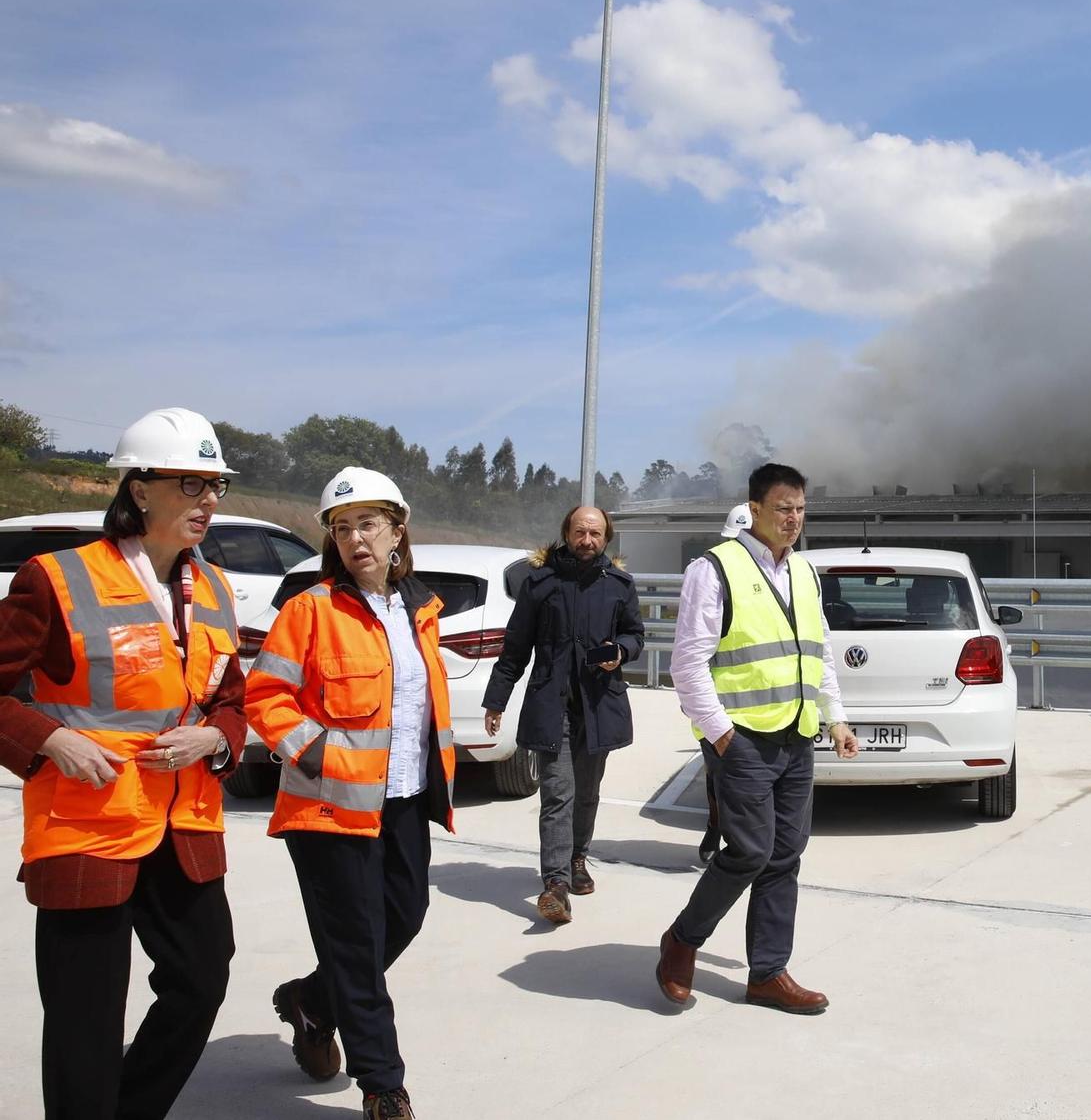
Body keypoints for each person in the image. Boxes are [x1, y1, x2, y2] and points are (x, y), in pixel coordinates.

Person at [0, 407, 247, 1120]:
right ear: (139, 489)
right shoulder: (57, 580)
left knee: (202, 978)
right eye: (192, 484)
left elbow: (232, 696)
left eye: (217, 486)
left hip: (183, 828)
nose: (209, 501)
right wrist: (49, 740)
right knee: (85, 1022)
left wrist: (218, 736)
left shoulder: (218, 589)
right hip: (89, 827)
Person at [246, 468, 455, 1120]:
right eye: (341, 527)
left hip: (402, 802)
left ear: (398, 528)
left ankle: (314, 998)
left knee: (406, 914)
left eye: (368, 522)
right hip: (328, 806)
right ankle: (382, 1083)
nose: (355, 537)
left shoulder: (420, 611)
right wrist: (319, 753)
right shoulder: (309, 610)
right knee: (358, 945)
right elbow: (264, 696)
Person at [655, 465, 858, 1013]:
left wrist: (835, 718)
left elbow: (820, 653)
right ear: (755, 509)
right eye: (782, 508)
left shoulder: (806, 574)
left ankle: (768, 973)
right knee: (748, 851)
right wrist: (722, 737)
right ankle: (682, 941)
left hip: (797, 736)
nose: (793, 518)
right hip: (742, 739)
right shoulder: (716, 569)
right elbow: (688, 664)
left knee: (785, 855)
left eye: (800, 508)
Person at [479, 504, 644, 924]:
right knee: (557, 793)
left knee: (587, 792)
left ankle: (576, 859)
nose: (586, 540)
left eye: (595, 534)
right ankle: (554, 884)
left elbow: (635, 634)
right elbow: (515, 648)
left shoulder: (620, 584)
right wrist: (496, 700)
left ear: (606, 539)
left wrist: (621, 651)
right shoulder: (541, 583)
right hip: (553, 707)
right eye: (579, 532)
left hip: (598, 706)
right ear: (566, 534)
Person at [695, 501, 756, 867]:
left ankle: (738, 845)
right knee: (716, 779)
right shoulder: (711, 573)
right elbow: (691, 654)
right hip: (717, 705)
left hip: (762, 712)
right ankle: (715, 829)